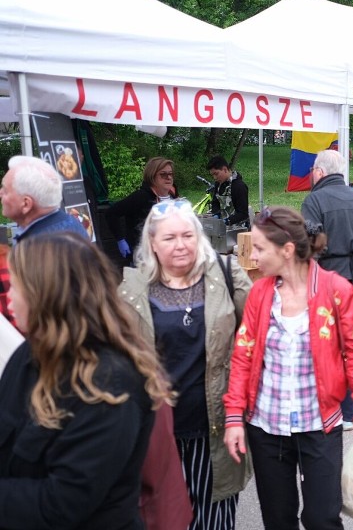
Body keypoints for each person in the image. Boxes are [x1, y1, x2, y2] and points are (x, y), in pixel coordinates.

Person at [0, 232, 171, 528]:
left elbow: (64, 503)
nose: (9, 295)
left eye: (17, 286)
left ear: (47, 294)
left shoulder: (111, 383)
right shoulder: (31, 353)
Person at [223, 206, 353, 530]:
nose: (253, 257)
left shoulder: (336, 290)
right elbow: (243, 356)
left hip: (318, 424)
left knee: (322, 518)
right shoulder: (260, 294)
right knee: (278, 520)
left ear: (287, 250)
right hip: (266, 425)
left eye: (260, 248)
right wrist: (234, 415)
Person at [118, 198, 253, 529]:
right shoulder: (131, 291)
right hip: (158, 430)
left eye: (187, 235)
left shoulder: (226, 274)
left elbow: (257, 334)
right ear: (152, 243)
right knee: (164, 516)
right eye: (169, 238)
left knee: (214, 518)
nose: (180, 245)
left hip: (216, 425)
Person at [301, 149, 353, 428]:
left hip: (328, 279)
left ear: (320, 173)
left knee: (326, 343)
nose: (311, 175)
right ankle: (352, 410)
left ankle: (331, 407)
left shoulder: (314, 201)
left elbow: (308, 248)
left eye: (313, 170)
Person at [0, 155, 88, 244]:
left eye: (6, 190)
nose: (0, 193)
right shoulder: (69, 223)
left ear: (26, 204)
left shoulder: (36, 247)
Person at [107, 156, 179, 259]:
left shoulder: (172, 195)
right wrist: (120, 239)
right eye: (163, 174)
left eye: (170, 174)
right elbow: (111, 213)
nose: (169, 177)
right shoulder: (141, 196)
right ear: (152, 176)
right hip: (144, 255)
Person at [206, 155, 250, 228]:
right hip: (223, 228)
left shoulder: (239, 186)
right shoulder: (218, 184)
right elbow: (215, 202)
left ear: (225, 169)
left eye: (216, 174)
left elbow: (243, 213)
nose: (215, 178)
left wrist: (227, 221)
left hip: (239, 229)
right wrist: (216, 214)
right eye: (212, 175)